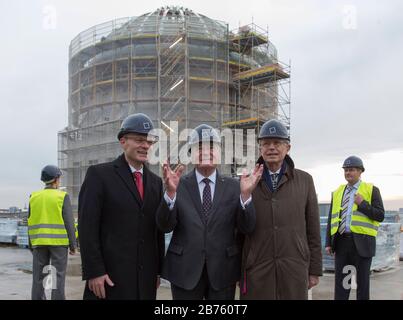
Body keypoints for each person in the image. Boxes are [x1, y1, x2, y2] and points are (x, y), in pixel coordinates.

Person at [156, 124, 262, 299]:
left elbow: (247, 227)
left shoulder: (236, 186)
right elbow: (164, 226)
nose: (206, 152)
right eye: (199, 148)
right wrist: (170, 194)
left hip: (223, 271)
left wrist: (245, 196)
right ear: (190, 154)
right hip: (184, 271)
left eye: (212, 147)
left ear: (221, 154)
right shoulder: (176, 184)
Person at [78, 113, 165, 300]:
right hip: (109, 279)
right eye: (139, 140)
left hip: (145, 281)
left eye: (149, 142)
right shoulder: (99, 175)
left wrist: (157, 272)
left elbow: (156, 232)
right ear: (123, 141)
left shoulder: (156, 183)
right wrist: (94, 271)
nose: (145, 146)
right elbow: (87, 228)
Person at [240, 119, 322, 299]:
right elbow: (239, 231)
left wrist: (314, 269)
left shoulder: (305, 181)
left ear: (288, 148)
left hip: (294, 268)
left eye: (277, 143)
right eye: (266, 143)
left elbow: (313, 228)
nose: (271, 148)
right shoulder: (247, 181)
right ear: (260, 148)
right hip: (258, 269)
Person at [325, 156, 384, 300]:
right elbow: (331, 218)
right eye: (345, 170)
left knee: (362, 285)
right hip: (342, 243)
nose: (348, 173)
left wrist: (363, 204)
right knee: (342, 284)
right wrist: (328, 242)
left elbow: (380, 215)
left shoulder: (371, 190)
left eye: (351, 170)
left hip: (362, 244)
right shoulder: (338, 192)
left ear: (360, 172)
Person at [28, 165, 77, 300]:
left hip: (39, 242)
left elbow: (30, 221)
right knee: (57, 276)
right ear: (56, 179)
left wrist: (31, 244)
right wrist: (73, 245)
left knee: (38, 277)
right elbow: (69, 223)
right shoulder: (62, 196)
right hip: (58, 243)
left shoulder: (34, 196)